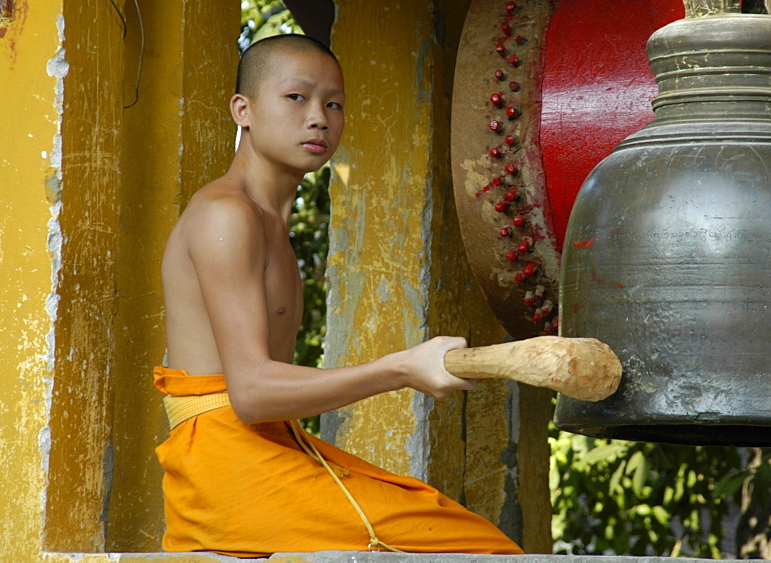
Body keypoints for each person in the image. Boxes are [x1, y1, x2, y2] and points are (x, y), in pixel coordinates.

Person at [155, 34, 523, 557]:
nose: (319, 118)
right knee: (476, 547)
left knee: (446, 523)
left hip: (271, 447)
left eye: (334, 104)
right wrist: (401, 370)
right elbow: (252, 392)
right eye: (296, 98)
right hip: (224, 465)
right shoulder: (226, 216)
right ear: (244, 109)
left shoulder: (268, 223)